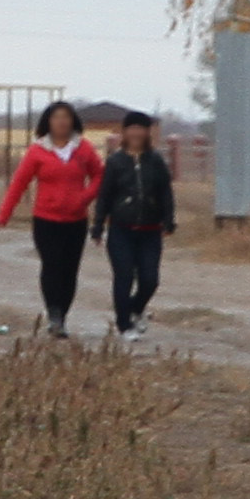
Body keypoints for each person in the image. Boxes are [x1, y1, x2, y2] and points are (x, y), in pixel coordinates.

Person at [0, 100, 103, 337]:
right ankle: (54, 315)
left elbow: (99, 176)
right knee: (52, 265)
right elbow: (19, 183)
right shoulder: (38, 150)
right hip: (46, 219)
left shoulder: (83, 148)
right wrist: (4, 213)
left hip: (76, 220)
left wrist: (85, 197)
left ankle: (62, 316)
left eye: (66, 117)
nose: (62, 122)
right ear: (48, 122)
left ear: (73, 121)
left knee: (69, 270)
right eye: (56, 117)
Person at [96, 110, 179, 340]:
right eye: (132, 128)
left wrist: (168, 219)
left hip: (150, 232)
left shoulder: (156, 161)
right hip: (121, 230)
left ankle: (135, 308)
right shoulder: (115, 162)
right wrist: (98, 226)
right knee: (124, 276)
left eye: (141, 128)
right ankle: (124, 326)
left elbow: (165, 193)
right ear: (125, 132)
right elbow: (104, 196)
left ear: (147, 132)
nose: (136, 133)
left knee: (150, 279)